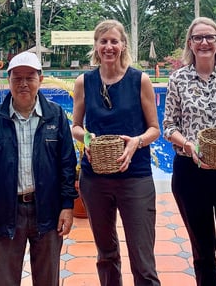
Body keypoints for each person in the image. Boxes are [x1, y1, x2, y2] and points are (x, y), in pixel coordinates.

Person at [0, 51, 77, 286]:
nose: (23, 83)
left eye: (29, 77)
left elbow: (67, 163)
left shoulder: (55, 116)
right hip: (6, 213)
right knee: (5, 280)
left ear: (40, 79)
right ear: (8, 81)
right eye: (17, 78)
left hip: (48, 211)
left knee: (48, 279)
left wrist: (68, 206)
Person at [162, 17, 216, 286]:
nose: (204, 42)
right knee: (202, 251)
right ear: (190, 43)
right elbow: (169, 125)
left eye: (209, 37)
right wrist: (188, 144)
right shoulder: (178, 79)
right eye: (197, 37)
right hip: (191, 172)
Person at [71, 19, 162, 286]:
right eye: (103, 41)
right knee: (106, 255)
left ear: (123, 45)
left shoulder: (139, 80)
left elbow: (155, 129)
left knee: (143, 259)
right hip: (95, 178)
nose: (109, 46)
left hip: (135, 177)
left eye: (114, 41)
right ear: (96, 47)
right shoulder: (83, 82)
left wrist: (136, 142)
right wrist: (87, 137)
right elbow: (76, 126)